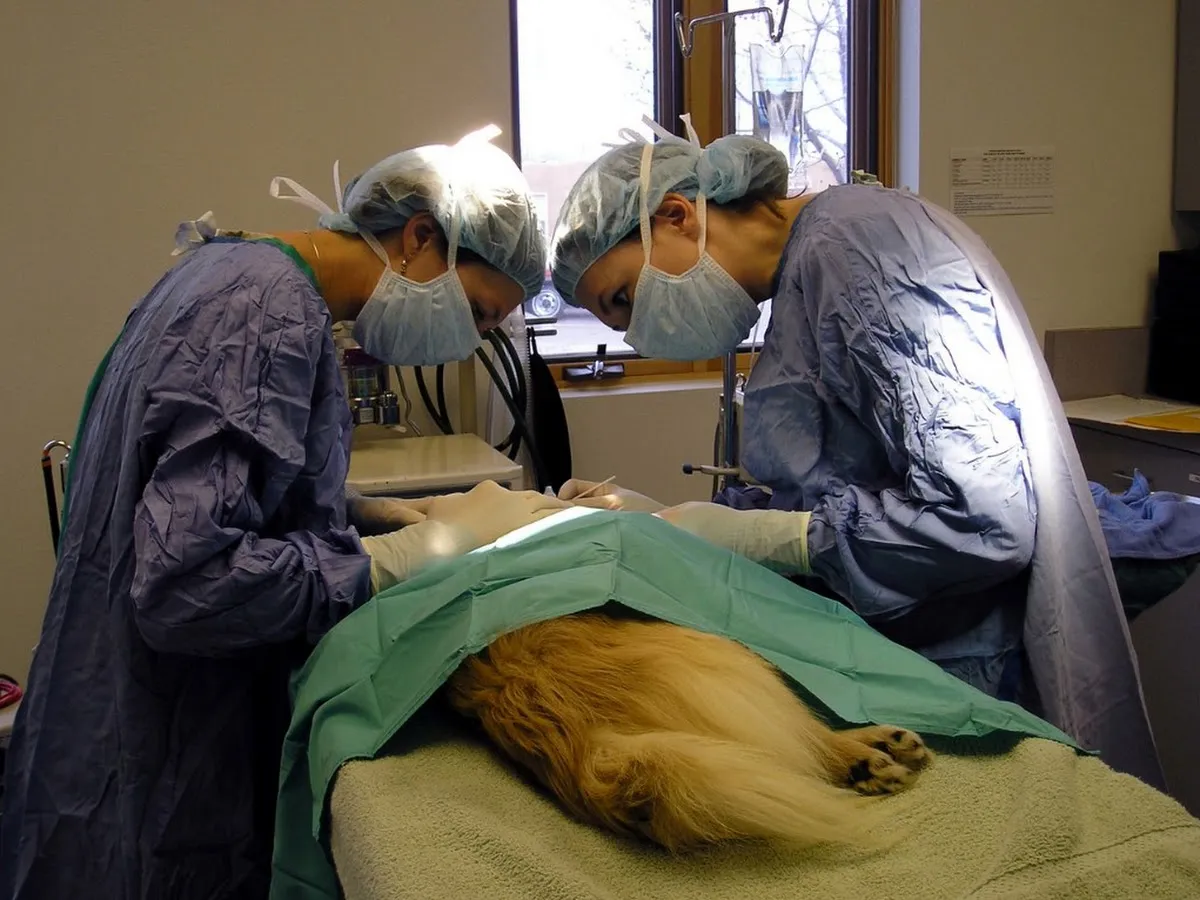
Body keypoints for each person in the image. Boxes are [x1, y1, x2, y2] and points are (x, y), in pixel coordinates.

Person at [0, 126, 573, 900]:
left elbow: (226, 488)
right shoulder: (263, 312)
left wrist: (380, 514)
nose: (466, 339)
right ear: (419, 238)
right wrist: (383, 565)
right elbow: (186, 583)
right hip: (153, 750)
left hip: (108, 712)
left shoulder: (232, 274)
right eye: (475, 311)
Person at [549, 119, 1164, 789]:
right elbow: (847, 471)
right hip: (916, 644)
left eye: (623, 300)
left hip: (964, 660)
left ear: (677, 215)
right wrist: (674, 520)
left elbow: (984, 517)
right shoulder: (813, 266)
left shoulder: (854, 251)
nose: (636, 334)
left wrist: (776, 538)